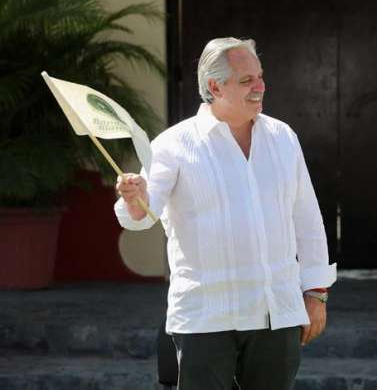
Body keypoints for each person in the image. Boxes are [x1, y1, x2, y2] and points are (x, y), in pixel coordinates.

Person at [114, 37, 336, 390]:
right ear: (215, 86)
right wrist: (132, 196)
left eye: (260, 76)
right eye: (246, 80)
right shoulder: (174, 144)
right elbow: (141, 213)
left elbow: (307, 218)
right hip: (206, 318)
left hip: (275, 313)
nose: (260, 87)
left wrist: (316, 293)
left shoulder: (283, 137)